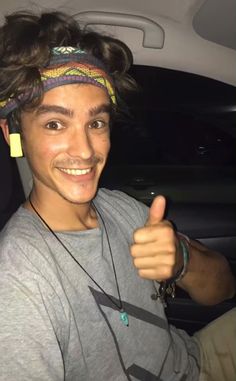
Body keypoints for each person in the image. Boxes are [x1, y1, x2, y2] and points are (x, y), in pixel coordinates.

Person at [0, 10, 235, 381]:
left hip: (196, 358)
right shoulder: (18, 276)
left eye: (96, 123)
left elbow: (222, 288)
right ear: (13, 133)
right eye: (55, 124)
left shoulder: (121, 207)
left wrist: (181, 261)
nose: (85, 149)